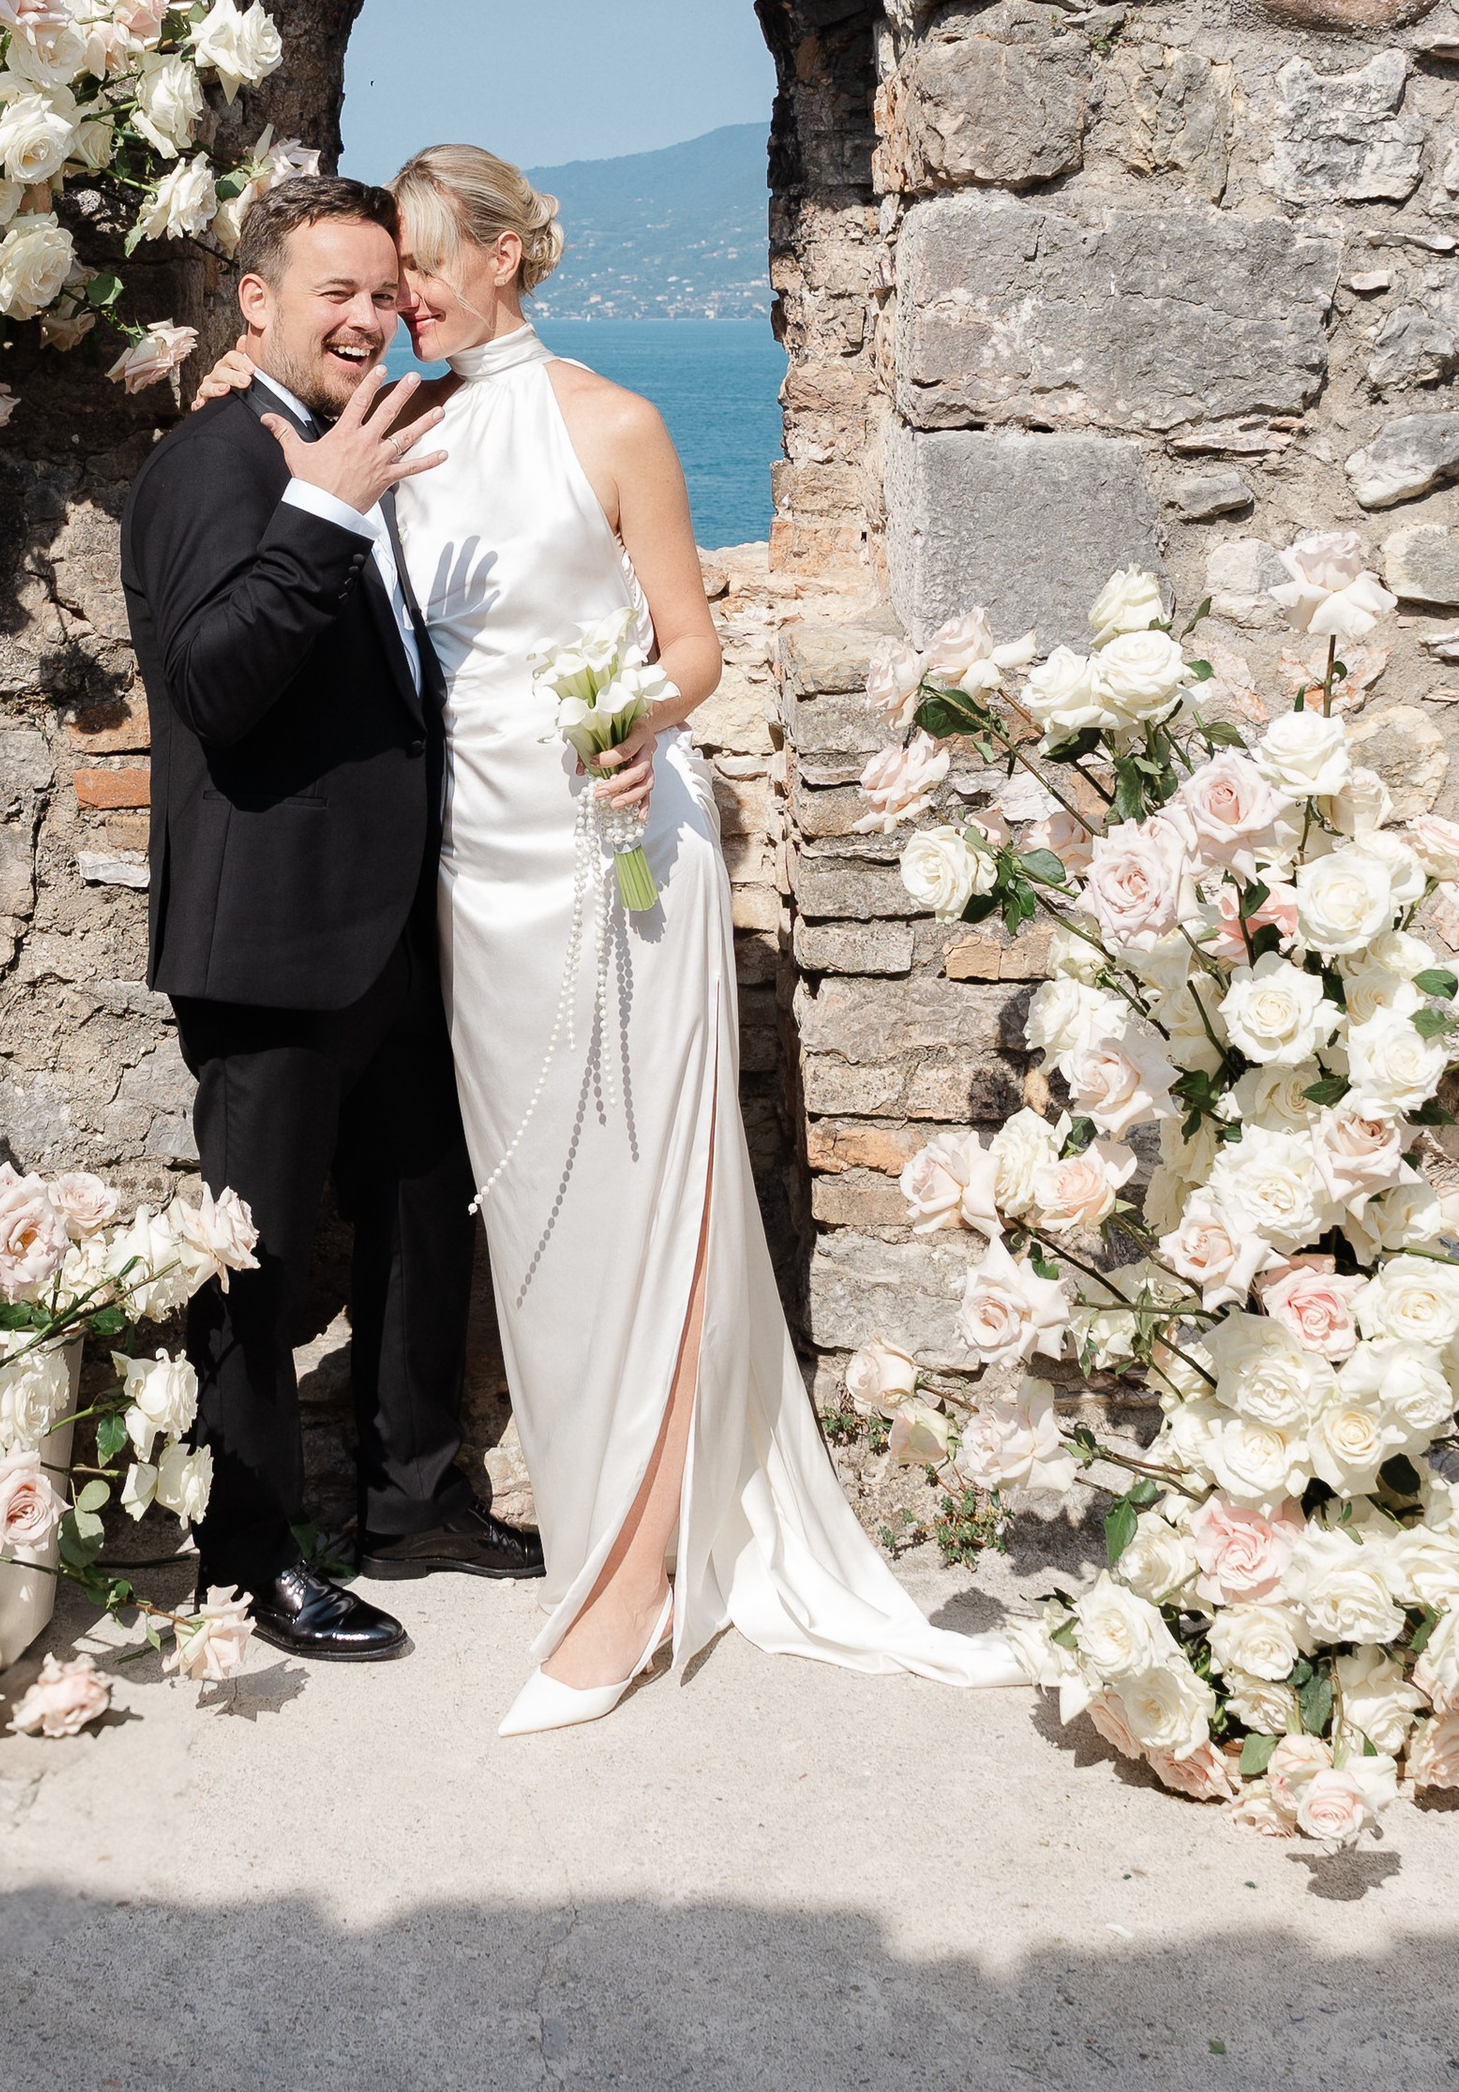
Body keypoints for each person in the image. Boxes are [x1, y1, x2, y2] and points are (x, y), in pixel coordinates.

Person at [198, 144, 1024, 1732]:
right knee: (542, 1213)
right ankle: (595, 1517)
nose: (399, 301)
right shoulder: (399, 433)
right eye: (374, 279)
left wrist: (640, 717)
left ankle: (637, 1576)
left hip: (612, 848)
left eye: (422, 265)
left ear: (505, 255)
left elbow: (691, 642)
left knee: (650, 1186)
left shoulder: (615, 422)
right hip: (466, 873)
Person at [118, 171, 546, 1661]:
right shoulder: (214, 469)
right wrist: (322, 513)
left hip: (395, 933)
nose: (371, 320)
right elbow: (214, 689)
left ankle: (412, 1496)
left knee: (432, 1215)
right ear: (257, 304)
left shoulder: (340, 448)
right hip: (270, 946)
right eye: (335, 295)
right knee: (261, 1257)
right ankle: (247, 1560)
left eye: (386, 293)